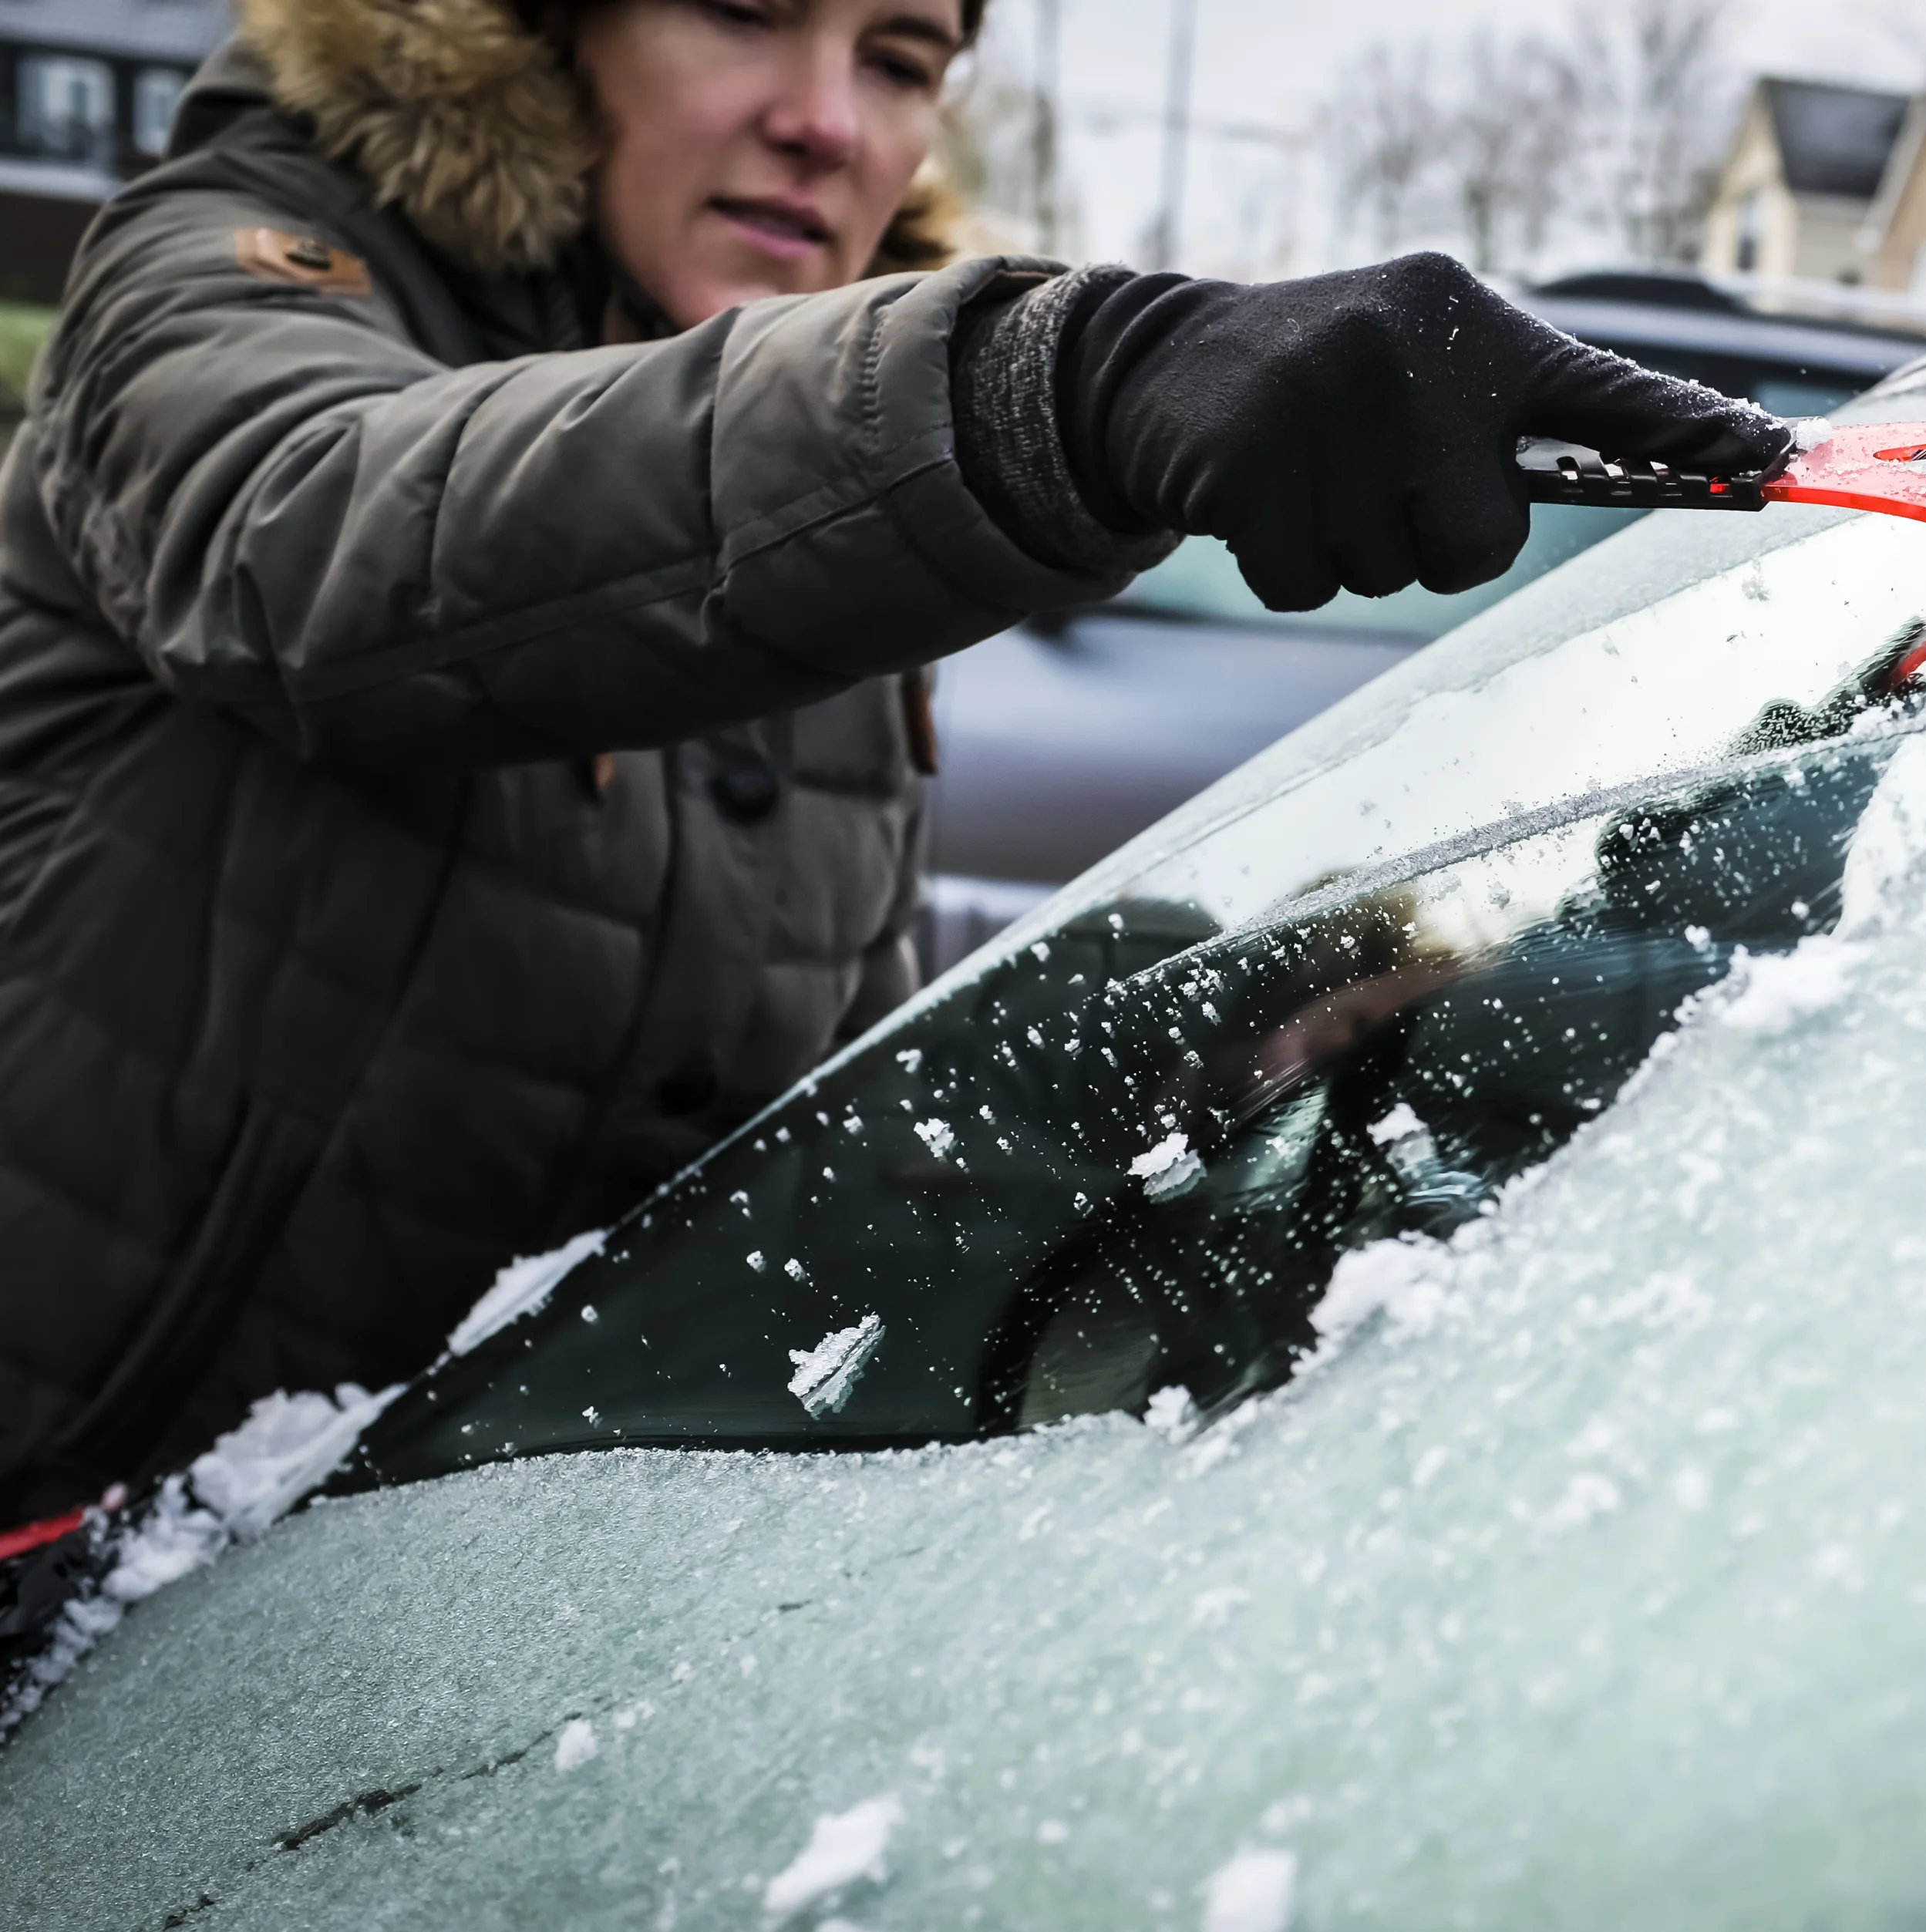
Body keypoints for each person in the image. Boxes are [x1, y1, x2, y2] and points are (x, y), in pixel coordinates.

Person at [0, 0, 1788, 1524]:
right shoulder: (235, 261)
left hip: (357, 1620)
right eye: (743, 8)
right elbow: (315, 541)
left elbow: (782, 1155)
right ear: (540, 33)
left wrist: (1252, 994)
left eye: (902, 55)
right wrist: (1055, 389)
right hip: (58, 1540)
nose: (826, 120)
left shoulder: (842, 519)